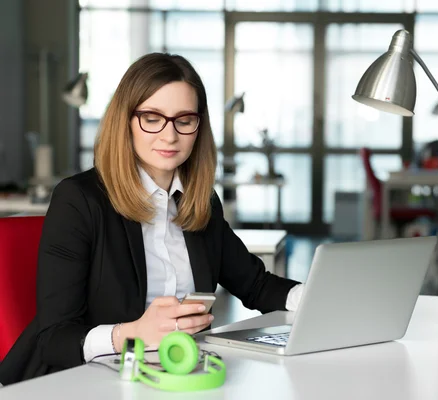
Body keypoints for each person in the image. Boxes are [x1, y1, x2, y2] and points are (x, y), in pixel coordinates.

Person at [0, 53, 304, 385]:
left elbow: (256, 285)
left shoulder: (200, 202)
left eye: (184, 120)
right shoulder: (79, 200)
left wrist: (315, 297)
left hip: (172, 378)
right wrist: (132, 334)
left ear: (198, 127)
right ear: (126, 121)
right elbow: (52, 340)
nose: (170, 135)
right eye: (152, 118)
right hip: (83, 381)